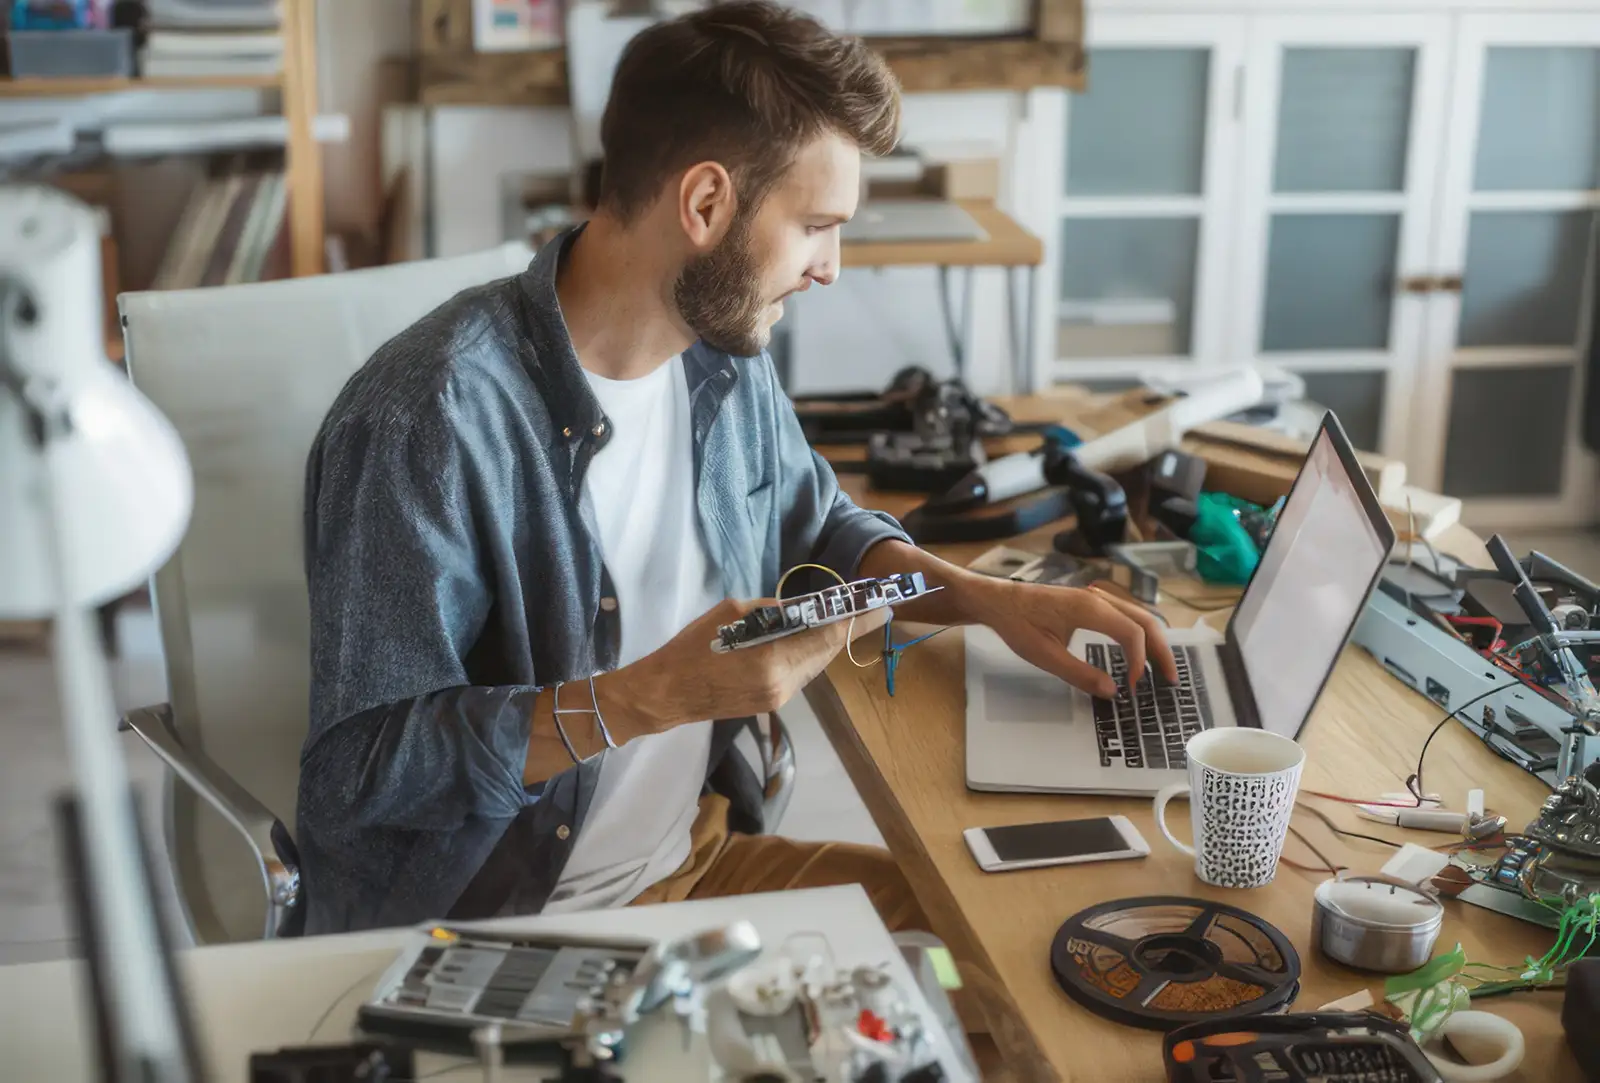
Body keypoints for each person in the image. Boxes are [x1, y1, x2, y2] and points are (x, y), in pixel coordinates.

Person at [298, 0, 1176, 937]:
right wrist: (651, 696)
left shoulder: (721, 357)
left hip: (695, 864)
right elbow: (358, 776)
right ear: (706, 203)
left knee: (1024, 946)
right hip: (494, 929)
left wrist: (987, 598)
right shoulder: (425, 419)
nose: (831, 267)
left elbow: (821, 527)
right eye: (816, 226)